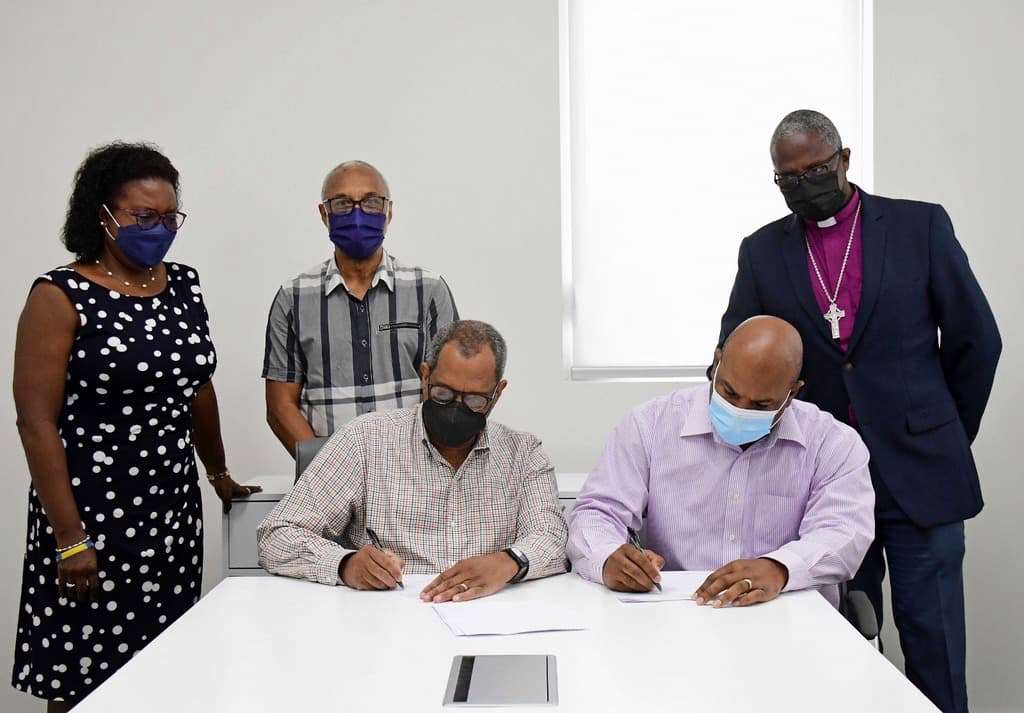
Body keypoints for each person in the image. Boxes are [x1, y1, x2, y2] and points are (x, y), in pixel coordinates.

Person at [716, 110, 1001, 713]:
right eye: (788, 178)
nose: (804, 184)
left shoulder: (919, 226)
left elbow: (977, 340)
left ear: (843, 159)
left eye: (815, 170)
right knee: (838, 646)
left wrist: (945, 431)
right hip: (822, 482)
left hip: (921, 472)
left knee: (934, 645)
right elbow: (734, 352)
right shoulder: (763, 252)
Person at [11, 142, 260, 711]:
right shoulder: (60, 295)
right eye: (143, 216)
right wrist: (70, 538)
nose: (159, 229)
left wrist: (217, 471)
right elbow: (35, 422)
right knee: (83, 673)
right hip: (91, 514)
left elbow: (197, 386)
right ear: (101, 214)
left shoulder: (183, 284)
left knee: (166, 665)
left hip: (170, 510)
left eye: (169, 217)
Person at [568, 316, 874, 610]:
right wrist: (608, 557)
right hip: (677, 613)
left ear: (792, 393)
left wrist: (780, 568)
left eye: (761, 405)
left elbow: (844, 532)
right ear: (716, 363)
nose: (740, 409)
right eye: (729, 392)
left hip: (788, 614)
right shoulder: (650, 425)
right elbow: (597, 512)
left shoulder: (833, 444)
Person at [258, 320, 568, 602]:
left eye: (474, 399)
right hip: (389, 619)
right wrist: (344, 564)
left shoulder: (524, 453)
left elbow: (552, 538)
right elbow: (277, 534)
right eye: (443, 393)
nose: (456, 408)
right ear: (425, 376)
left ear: (497, 393)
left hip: (490, 616)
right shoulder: (365, 440)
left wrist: (509, 562)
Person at [263, 160, 458, 455]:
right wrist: (331, 470)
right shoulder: (293, 298)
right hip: (328, 474)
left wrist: (418, 466)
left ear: (389, 211)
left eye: (371, 202)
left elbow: (450, 392)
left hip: (415, 470)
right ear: (324, 214)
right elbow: (280, 405)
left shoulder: (428, 290)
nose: (358, 215)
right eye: (342, 203)